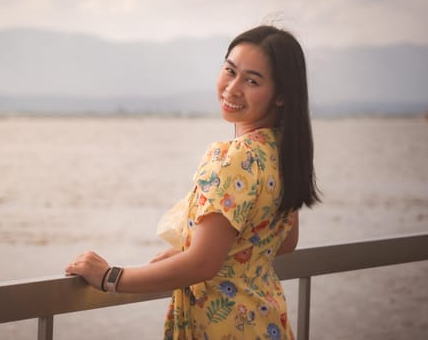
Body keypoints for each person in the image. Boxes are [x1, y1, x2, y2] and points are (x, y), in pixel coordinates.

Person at [65, 25, 319, 340]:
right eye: (230, 71)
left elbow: (202, 265)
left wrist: (110, 277)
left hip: (221, 329)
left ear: (281, 95)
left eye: (251, 80)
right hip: (266, 321)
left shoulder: (232, 158)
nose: (233, 88)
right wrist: (196, 247)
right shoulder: (280, 151)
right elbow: (284, 241)